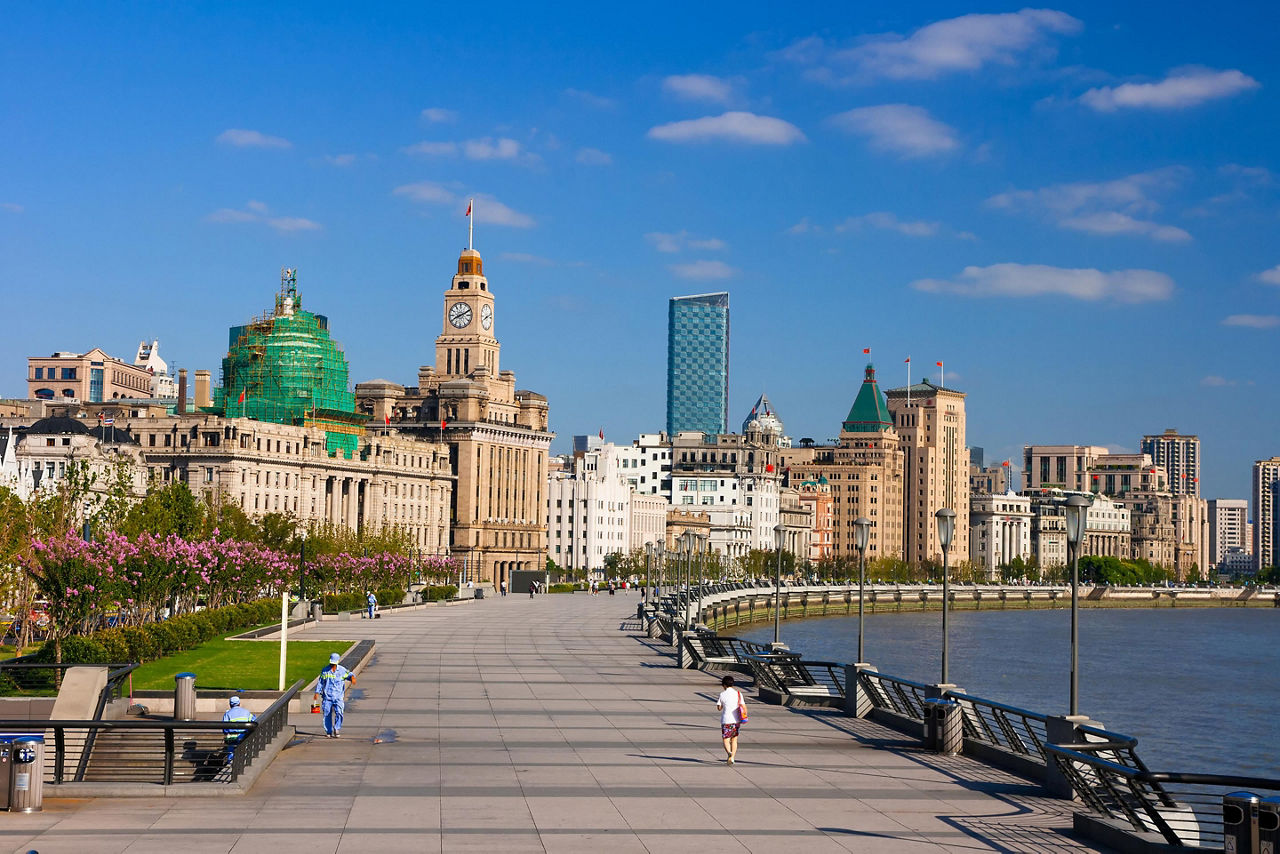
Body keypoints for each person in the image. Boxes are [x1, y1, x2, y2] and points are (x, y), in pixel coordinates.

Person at [315, 652, 356, 738]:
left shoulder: (342, 670)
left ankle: (337, 728)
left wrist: (352, 678)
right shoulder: (325, 671)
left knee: (339, 712)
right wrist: (317, 692)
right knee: (327, 713)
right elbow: (320, 682)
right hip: (327, 697)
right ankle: (328, 731)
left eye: (334, 663)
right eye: (331, 663)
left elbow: (350, 674)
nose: (332, 665)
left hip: (338, 697)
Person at [716, 675, 747, 765]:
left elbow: (719, 708)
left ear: (724, 685)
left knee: (726, 739)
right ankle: (732, 757)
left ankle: (729, 752)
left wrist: (722, 705)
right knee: (734, 739)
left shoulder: (722, 694)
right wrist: (744, 717)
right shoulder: (738, 693)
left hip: (726, 720)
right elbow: (743, 706)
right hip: (736, 720)